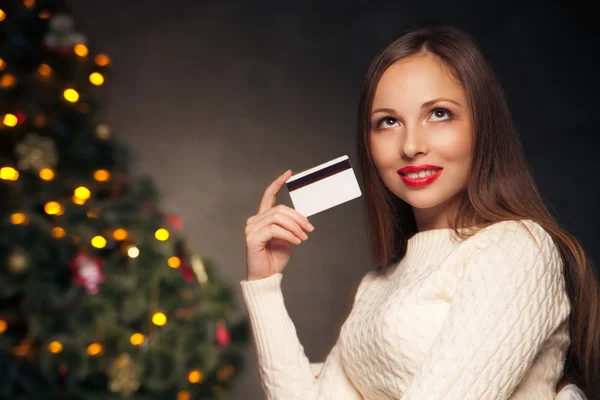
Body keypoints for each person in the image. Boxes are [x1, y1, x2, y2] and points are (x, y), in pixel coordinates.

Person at [242, 24, 600, 399]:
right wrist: (264, 287)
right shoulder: (376, 286)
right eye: (389, 122)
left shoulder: (517, 249)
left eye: (440, 114)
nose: (411, 145)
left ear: (482, 127)